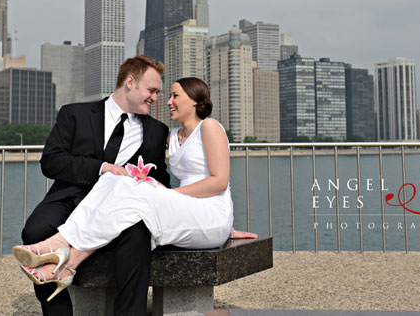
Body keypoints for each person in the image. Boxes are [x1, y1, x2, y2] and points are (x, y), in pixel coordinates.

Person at [14, 77, 257, 307]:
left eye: (175, 96)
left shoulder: (210, 127)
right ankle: (70, 260)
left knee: (135, 187)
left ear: (194, 100)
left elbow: (219, 182)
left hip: (210, 211)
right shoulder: (172, 136)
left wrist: (171, 196)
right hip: (188, 208)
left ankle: (60, 244)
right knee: (116, 178)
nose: (168, 101)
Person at [19, 55, 171, 316]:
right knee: (35, 231)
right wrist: (101, 168)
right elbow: (52, 161)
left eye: (158, 92)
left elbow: (161, 180)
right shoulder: (74, 114)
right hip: (72, 198)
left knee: (137, 238)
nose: (155, 98)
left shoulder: (157, 131)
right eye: (152, 90)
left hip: (123, 210)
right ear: (130, 82)